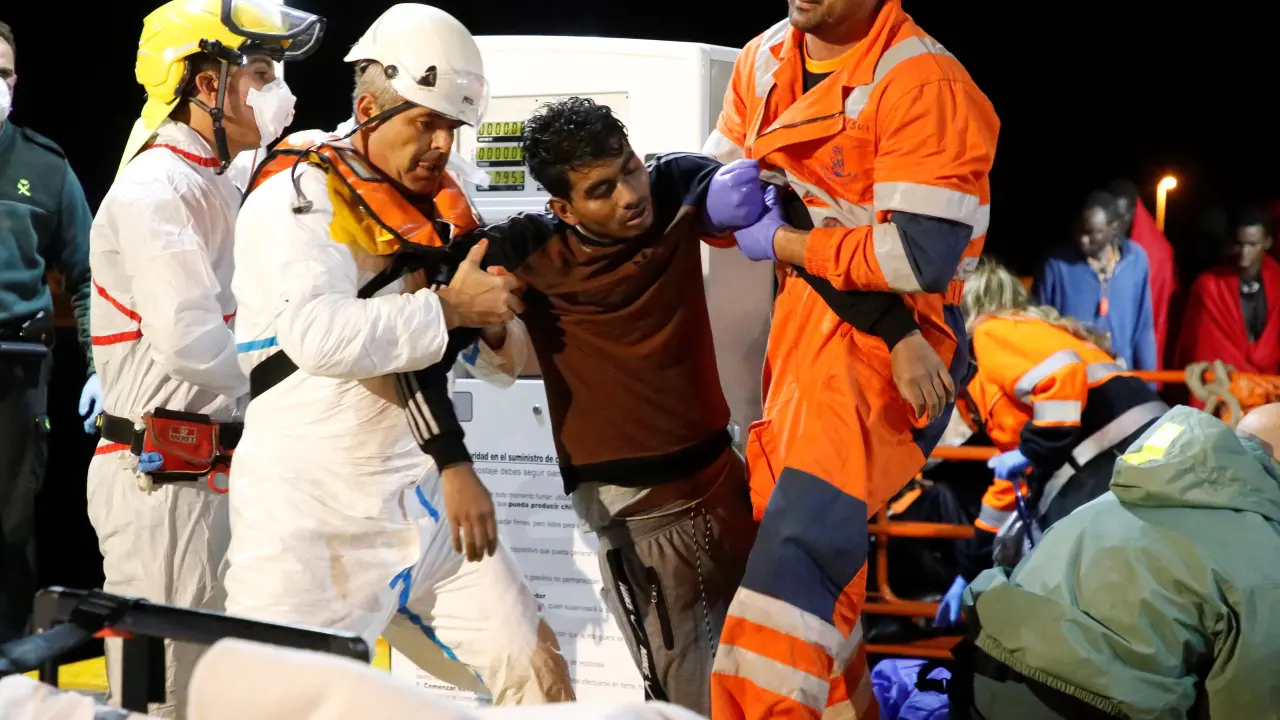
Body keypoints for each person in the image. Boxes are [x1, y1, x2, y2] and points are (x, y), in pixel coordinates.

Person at [225, 4, 573, 705]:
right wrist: (451, 309)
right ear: (368, 109)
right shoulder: (297, 197)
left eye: (453, 127)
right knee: (275, 702)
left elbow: (495, 363)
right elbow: (318, 335)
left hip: (423, 499)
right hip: (309, 515)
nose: (442, 145)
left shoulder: (442, 201)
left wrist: (492, 325)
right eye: (426, 123)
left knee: (536, 668)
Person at [702, 0, 1000, 716]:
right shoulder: (765, 57)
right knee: (806, 574)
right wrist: (712, 204)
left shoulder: (926, 82)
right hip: (799, 334)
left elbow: (917, 259)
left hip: (891, 347)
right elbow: (715, 182)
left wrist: (781, 241)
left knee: (791, 574)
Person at [86, 0, 324, 714]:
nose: (278, 92)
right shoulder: (155, 189)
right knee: (166, 694)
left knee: (226, 690)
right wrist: (310, 372)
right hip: (163, 485)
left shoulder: (230, 175)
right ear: (206, 84)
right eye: (261, 73)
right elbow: (193, 342)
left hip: (225, 474)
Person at [953, 403, 1280, 718]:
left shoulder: (1126, 491)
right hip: (1091, 702)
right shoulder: (1264, 556)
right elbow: (1249, 702)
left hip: (982, 671)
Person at [931, 259, 1167, 627]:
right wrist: (969, 568)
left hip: (1118, 458)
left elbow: (1061, 376)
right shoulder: (1026, 344)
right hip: (1136, 457)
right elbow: (1014, 483)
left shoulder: (992, 334)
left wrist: (1033, 449)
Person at [0, 20, 98, 643]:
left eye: (4, 74)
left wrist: (100, 367)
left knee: (9, 534)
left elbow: (89, 276)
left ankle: (6, 673)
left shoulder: (44, 164)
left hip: (15, 371)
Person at [1035, 190, 1157, 373]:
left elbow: (1143, 327)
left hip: (1120, 374)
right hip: (1073, 373)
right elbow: (1039, 324)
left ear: (1114, 227)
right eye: (1080, 230)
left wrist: (1149, 381)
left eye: (1093, 233)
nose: (1083, 239)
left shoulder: (1136, 261)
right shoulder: (1057, 265)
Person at [1178, 207, 1280, 381]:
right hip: (1222, 383)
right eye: (1239, 244)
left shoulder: (1277, 282)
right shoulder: (1209, 286)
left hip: (1268, 384)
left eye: (1252, 244)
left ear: (1267, 243)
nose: (1244, 252)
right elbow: (1198, 347)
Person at [1109, 179, 1177, 367]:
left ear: (1133, 212)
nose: (1116, 225)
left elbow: (1155, 317)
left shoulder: (1154, 253)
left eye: (1122, 217)